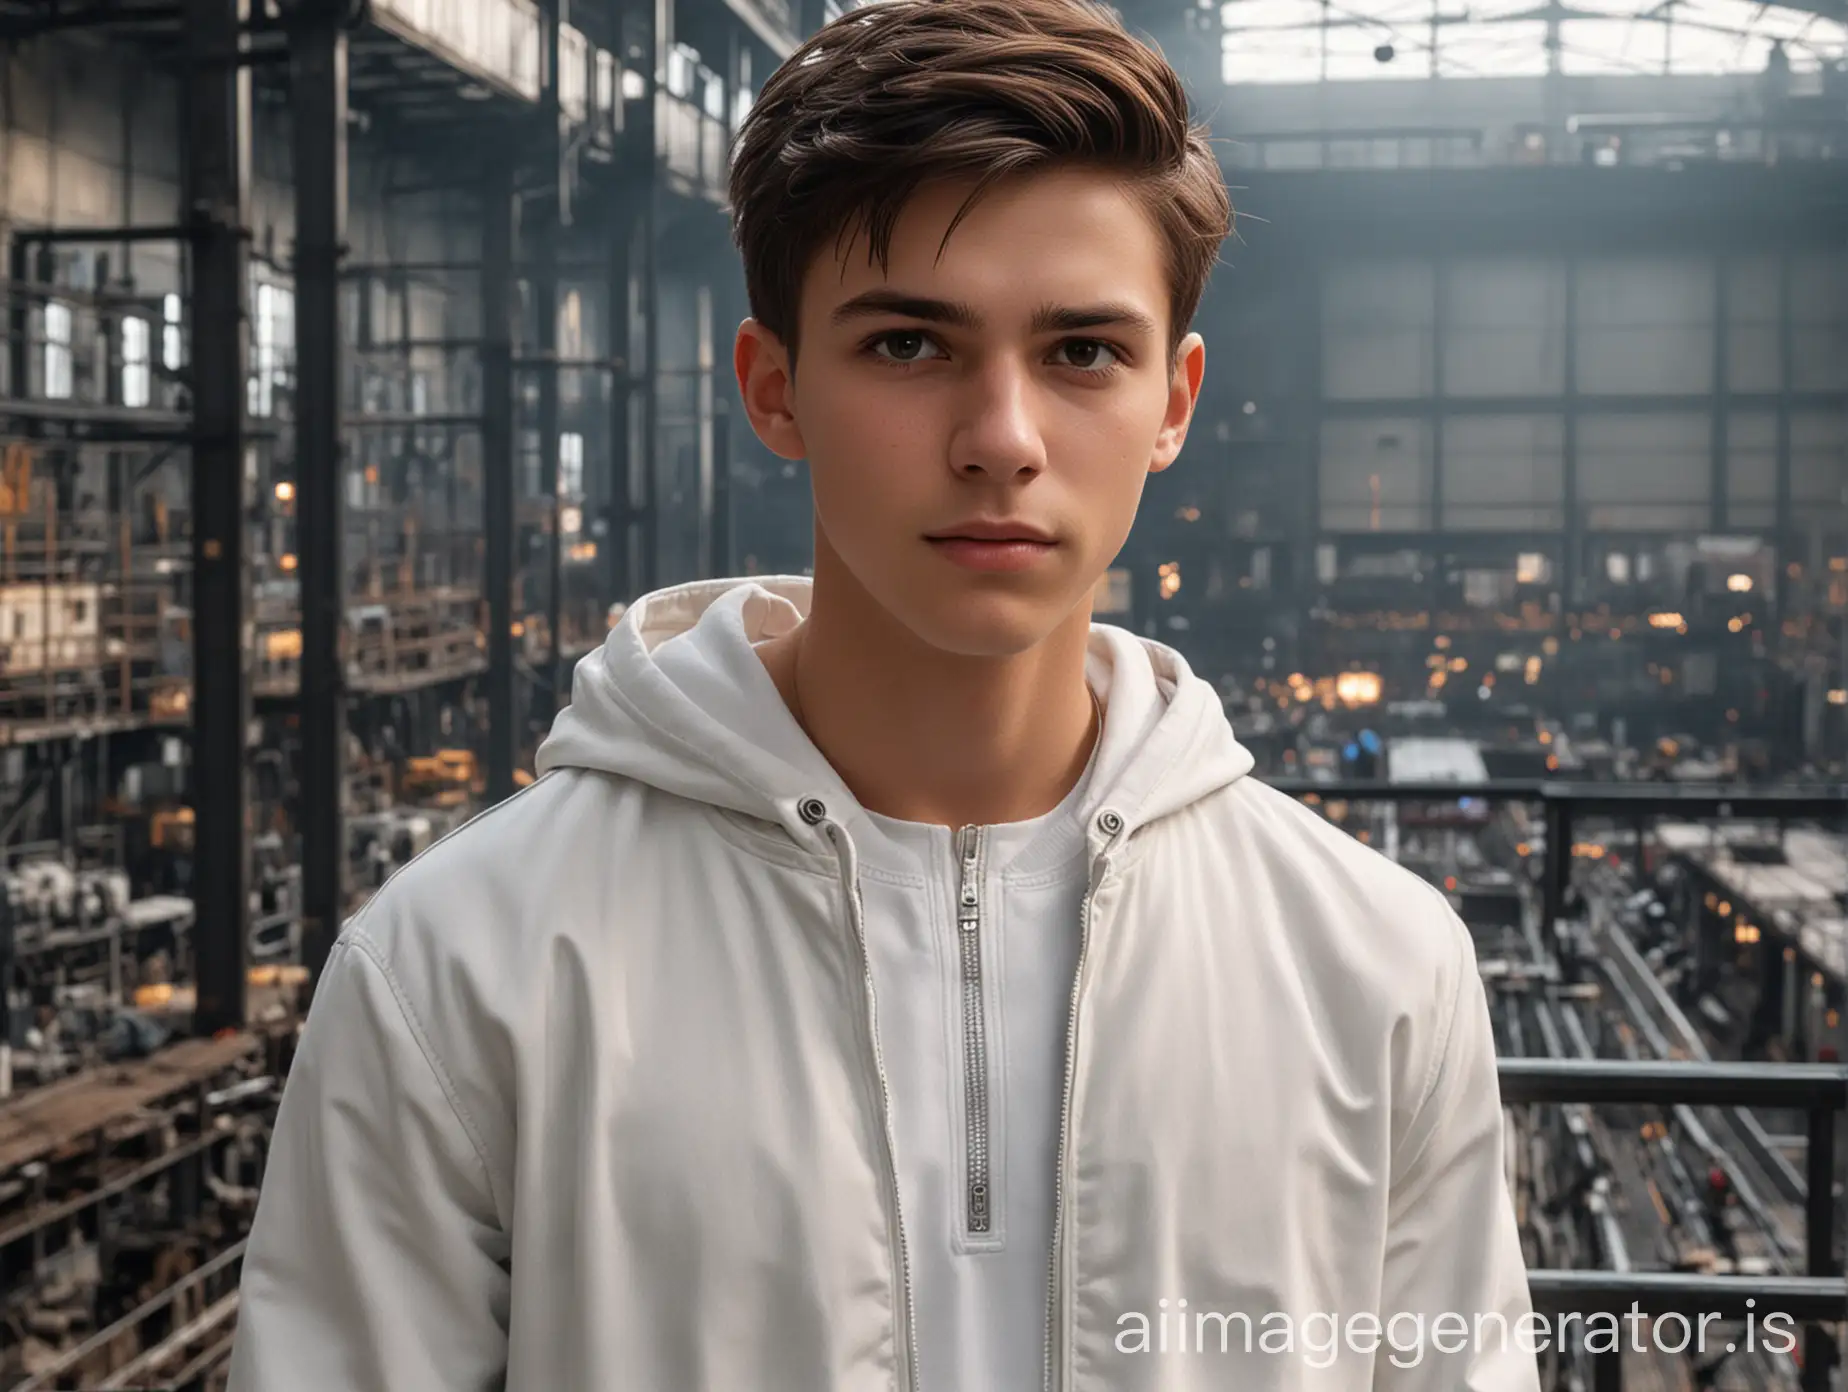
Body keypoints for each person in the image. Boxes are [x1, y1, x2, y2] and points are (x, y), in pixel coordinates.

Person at [227, 2, 1539, 1388]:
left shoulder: (1379, 971)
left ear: (1175, 401)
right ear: (774, 387)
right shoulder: (466, 972)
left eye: (1083, 351)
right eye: (911, 346)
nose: (1001, 441)